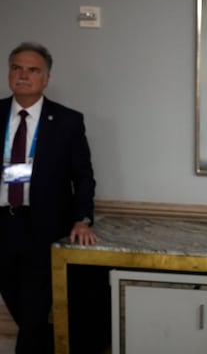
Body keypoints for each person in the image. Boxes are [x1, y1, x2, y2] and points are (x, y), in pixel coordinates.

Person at [0, 42, 97, 353]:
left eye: (33, 70)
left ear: (46, 78)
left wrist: (82, 219)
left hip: (42, 228)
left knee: (32, 313)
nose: (23, 75)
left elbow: (83, 176)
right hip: (2, 227)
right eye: (17, 68)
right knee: (22, 307)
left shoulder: (67, 121)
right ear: (9, 73)